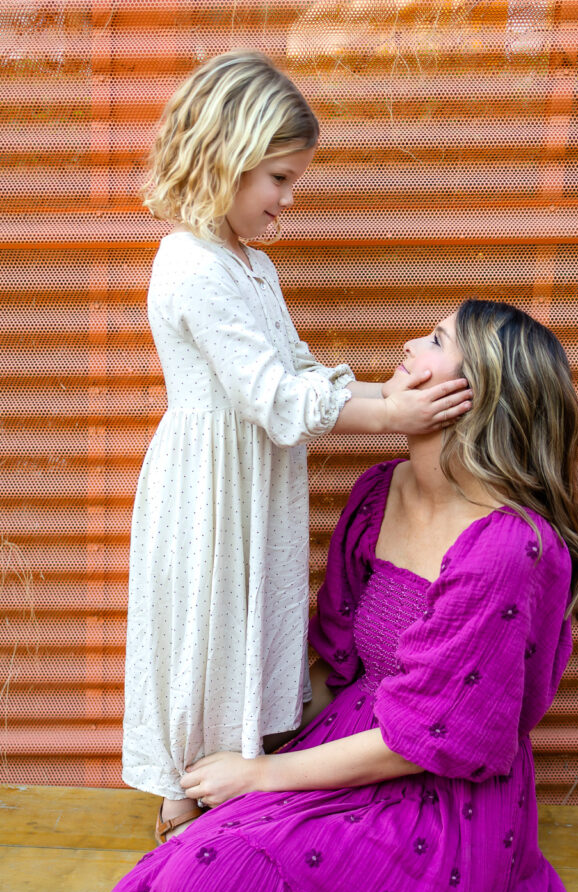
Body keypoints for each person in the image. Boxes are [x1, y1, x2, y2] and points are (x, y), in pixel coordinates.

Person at [95, 299, 578, 892]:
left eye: (432, 342)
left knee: (216, 888)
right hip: (341, 748)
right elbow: (334, 663)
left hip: (438, 801)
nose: (405, 347)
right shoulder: (376, 493)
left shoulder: (506, 549)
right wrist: (245, 755)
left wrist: (262, 777)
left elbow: (424, 738)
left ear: (474, 394)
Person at [122, 50, 472, 842]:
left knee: (247, 618)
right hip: (211, 478)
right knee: (203, 621)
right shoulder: (189, 265)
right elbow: (273, 397)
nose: (287, 198)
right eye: (278, 177)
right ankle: (183, 790)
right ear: (226, 158)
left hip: (255, 472)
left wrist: (391, 397)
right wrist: (388, 416)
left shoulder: (252, 267)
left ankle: (239, 766)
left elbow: (298, 370)